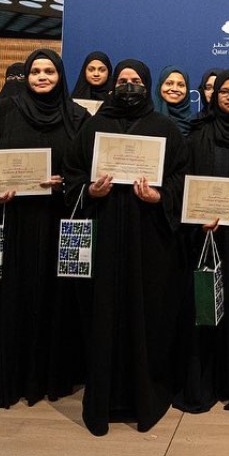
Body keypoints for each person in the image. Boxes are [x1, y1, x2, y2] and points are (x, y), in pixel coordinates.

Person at [62, 59, 189, 436]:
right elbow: (72, 172)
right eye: (123, 80)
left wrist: (160, 196)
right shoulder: (93, 126)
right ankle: (102, 399)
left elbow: (182, 177)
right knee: (102, 313)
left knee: (147, 313)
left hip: (150, 241)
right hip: (103, 236)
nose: (129, 86)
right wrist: (90, 190)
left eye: (136, 81)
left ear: (146, 85)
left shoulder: (165, 128)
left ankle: (144, 396)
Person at [0, 48, 87, 410]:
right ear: (26, 76)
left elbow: (87, 167)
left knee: (53, 299)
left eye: (50, 71)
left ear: (61, 76)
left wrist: (65, 182)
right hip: (12, 223)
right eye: (35, 71)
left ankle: (50, 376)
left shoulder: (77, 117)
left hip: (57, 222)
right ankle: (10, 375)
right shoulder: (3, 111)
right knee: (11, 298)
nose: (42, 77)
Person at [175, 69, 229, 413]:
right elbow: (185, 180)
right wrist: (197, 216)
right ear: (214, 95)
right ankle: (203, 384)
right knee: (205, 306)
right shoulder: (199, 133)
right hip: (206, 234)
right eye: (224, 91)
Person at [154, 66, 194, 136]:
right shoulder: (147, 119)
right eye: (169, 83)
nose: (175, 89)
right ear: (160, 86)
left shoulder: (195, 123)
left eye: (181, 85)